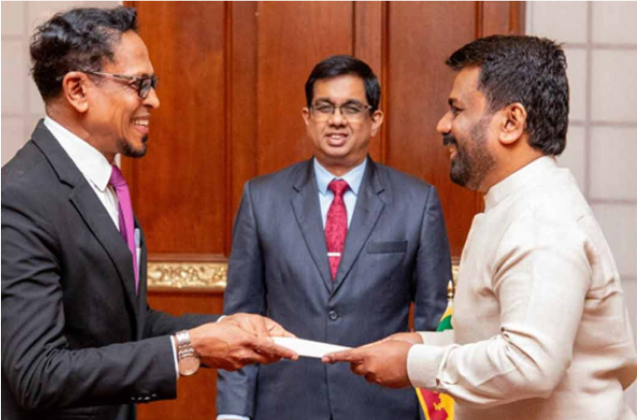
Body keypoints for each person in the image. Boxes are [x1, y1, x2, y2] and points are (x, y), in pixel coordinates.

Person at [0, 7, 297, 420]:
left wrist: (223, 328)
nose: (154, 100)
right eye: (139, 84)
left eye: (151, 84)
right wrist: (188, 349)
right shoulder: (19, 197)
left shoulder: (103, 183)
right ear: (77, 90)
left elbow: (123, 326)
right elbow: (38, 374)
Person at [325, 35, 637, 419]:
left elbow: (528, 364)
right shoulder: (514, 206)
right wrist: (419, 344)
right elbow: (493, 339)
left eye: (456, 110)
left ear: (511, 122)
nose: (443, 124)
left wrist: (413, 364)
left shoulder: (541, 220)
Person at [216, 55, 451, 420]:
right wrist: (233, 414)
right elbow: (241, 318)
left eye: (351, 108)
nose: (337, 119)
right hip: (284, 404)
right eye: (324, 107)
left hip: (383, 407)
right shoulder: (261, 198)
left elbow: (433, 325)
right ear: (307, 117)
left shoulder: (417, 203)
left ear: (375, 120)